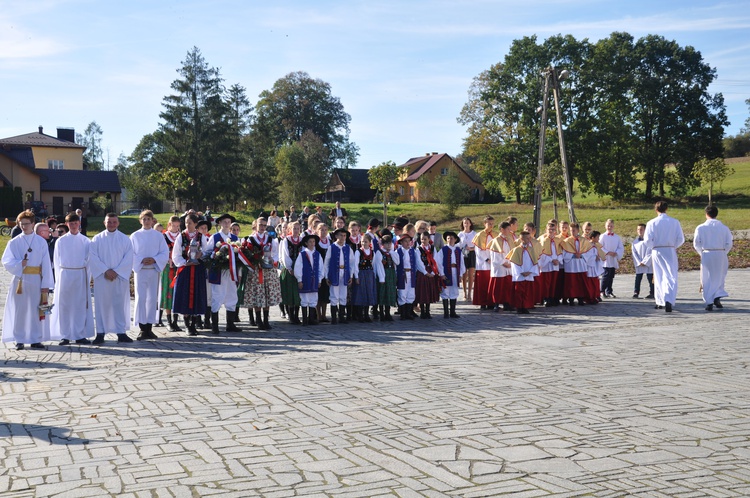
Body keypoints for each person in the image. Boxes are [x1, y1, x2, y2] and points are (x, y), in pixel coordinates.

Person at [2, 210, 54, 350]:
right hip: (21, 280)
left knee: (35, 310)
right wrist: (19, 264)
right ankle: (19, 338)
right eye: (21, 224)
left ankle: (35, 338)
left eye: (26, 223)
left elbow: (46, 264)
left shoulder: (41, 242)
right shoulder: (14, 242)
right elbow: (6, 261)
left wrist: (46, 284)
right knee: (20, 310)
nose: (24, 226)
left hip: (36, 279)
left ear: (32, 224)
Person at [50, 212, 95, 345]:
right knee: (65, 305)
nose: (74, 226)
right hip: (65, 274)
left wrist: (86, 278)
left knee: (80, 305)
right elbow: (56, 260)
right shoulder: (61, 241)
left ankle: (79, 334)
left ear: (79, 224)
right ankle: (65, 334)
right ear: (67, 224)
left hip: (80, 274)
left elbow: (89, 261)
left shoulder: (86, 241)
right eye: (71, 223)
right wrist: (59, 279)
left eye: (76, 223)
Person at [89, 213, 134, 344]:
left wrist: (117, 272)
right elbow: (93, 257)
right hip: (103, 277)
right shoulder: (97, 239)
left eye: (114, 222)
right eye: (109, 222)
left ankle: (121, 332)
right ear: (104, 223)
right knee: (101, 305)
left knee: (119, 305)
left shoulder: (125, 239)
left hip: (119, 278)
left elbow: (128, 257)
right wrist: (106, 270)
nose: (112, 224)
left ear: (118, 223)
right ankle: (100, 333)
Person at [130, 210, 170, 340]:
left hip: (153, 269)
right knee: (141, 298)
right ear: (140, 220)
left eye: (149, 219)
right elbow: (131, 253)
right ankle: (142, 328)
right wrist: (141, 259)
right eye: (144, 219)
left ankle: (149, 327)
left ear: (153, 220)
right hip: (141, 270)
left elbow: (164, 252)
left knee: (152, 299)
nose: (146, 221)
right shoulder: (135, 236)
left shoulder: (158, 236)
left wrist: (154, 259)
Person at [172, 214, 210, 336]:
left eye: (190, 223)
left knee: (196, 296)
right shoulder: (181, 237)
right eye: (186, 222)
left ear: (195, 223)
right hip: (185, 270)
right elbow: (175, 254)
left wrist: (201, 255)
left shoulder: (201, 237)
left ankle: (194, 324)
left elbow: (207, 251)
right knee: (185, 296)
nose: (187, 225)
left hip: (198, 269)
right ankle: (187, 325)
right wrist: (184, 263)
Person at [643, 201, 685, 313]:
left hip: (657, 250)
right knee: (671, 275)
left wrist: (654, 247)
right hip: (669, 249)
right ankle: (669, 300)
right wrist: (672, 246)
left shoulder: (651, 223)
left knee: (659, 275)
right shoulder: (674, 222)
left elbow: (647, 240)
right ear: (666, 209)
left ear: (656, 210)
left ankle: (660, 300)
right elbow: (681, 239)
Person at [243, 217, 282, 330]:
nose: (262, 227)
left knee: (267, 293)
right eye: (260, 225)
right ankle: (258, 319)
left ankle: (266, 319)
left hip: (268, 271)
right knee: (257, 294)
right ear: (256, 225)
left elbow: (275, 254)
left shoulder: (270, 239)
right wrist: (256, 261)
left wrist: (271, 261)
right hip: (256, 270)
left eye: (264, 225)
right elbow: (248, 254)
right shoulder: (251, 239)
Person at [693, 205, 733, 311]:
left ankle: (709, 301)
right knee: (720, 276)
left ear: (706, 214)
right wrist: (724, 252)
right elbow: (729, 243)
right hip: (720, 254)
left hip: (707, 253)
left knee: (706, 277)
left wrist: (702, 253)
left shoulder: (701, 227)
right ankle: (717, 296)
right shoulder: (724, 228)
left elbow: (696, 243)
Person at [207, 214, 241, 333]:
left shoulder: (235, 238)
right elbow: (208, 253)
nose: (227, 224)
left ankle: (230, 324)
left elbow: (240, 256)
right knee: (217, 296)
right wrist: (217, 256)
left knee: (232, 295)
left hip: (231, 272)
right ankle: (215, 325)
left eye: (228, 222)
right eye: (224, 222)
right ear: (220, 223)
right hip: (219, 272)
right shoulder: (215, 237)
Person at [324, 228, 355, 324]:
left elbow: (352, 262)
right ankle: (334, 318)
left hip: (344, 273)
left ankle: (341, 317)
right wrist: (326, 276)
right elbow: (327, 262)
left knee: (343, 295)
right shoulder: (332, 247)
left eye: (344, 235)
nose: (343, 237)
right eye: (341, 235)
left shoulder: (348, 248)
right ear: (336, 236)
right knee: (334, 295)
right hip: (334, 273)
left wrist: (351, 275)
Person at [395, 233, 426, 320]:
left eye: (409, 241)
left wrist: (424, 272)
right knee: (402, 293)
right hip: (402, 275)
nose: (408, 243)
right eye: (405, 241)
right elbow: (395, 265)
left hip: (411, 275)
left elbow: (418, 263)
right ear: (401, 242)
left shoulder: (413, 251)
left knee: (411, 293)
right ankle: (403, 314)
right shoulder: (398, 251)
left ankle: (408, 313)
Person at [507, 231, 539, 314]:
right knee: (519, 291)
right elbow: (514, 263)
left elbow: (535, 262)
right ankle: (519, 307)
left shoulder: (531, 249)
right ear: (521, 239)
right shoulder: (516, 250)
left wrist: (530, 271)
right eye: (527, 238)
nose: (529, 240)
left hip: (528, 274)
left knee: (527, 291)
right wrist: (521, 272)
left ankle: (525, 306)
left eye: (529, 238)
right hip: (520, 275)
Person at [160, 216, 182, 332]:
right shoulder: (164, 237)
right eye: (173, 225)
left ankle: (175, 321)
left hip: (179, 267)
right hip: (167, 268)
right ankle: (168, 321)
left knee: (177, 293)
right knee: (168, 292)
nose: (176, 228)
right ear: (169, 225)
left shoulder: (182, 236)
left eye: (178, 226)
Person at [561, 223, 591, 306]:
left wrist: (581, 255)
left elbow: (588, 252)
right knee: (571, 282)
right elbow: (564, 253)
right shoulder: (566, 241)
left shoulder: (584, 240)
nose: (572, 232)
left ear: (578, 230)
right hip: (571, 264)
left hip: (581, 263)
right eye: (570, 230)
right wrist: (573, 255)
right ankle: (571, 298)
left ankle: (581, 298)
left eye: (574, 230)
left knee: (580, 281)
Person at [435, 231, 464, 318]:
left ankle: (452, 312)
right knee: (446, 291)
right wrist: (442, 273)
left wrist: (461, 274)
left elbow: (462, 263)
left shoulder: (458, 251)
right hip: (446, 271)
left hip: (455, 271)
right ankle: (446, 312)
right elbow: (438, 262)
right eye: (448, 238)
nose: (449, 240)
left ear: (455, 240)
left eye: (451, 238)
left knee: (454, 291)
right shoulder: (443, 250)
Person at [279, 221, 303, 324]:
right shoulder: (286, 241)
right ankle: (290, 315)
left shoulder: (302, 240)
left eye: (298, 228)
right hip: (289, 269)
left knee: (297, 292)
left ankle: (297, 315)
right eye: (294, 228)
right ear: (289, 230)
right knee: (289, 292)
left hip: (299, 267)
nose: (296, 231)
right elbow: (284, 255)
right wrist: (290, 268)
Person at [352, 233, 379, 322]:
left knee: (368, 293)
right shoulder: (358, 252)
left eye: (366, 242)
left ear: (370, 242)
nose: (364, 243)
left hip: (369, 274)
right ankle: (360, 315)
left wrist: (374, 275)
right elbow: (355, 265)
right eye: (362, 241)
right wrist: (356, 276)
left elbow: (374, 265)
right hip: (361, 274)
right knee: (361, 293)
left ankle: (366, 314)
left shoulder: (372, 252)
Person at [414, 232, 441, 319]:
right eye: (422, 239)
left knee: (429, 291)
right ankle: (422, 311)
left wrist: (433, 272)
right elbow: (418, 262)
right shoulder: (418, 249)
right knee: (422, 292)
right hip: (423, 272)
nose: (423, 241)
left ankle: (428, 311)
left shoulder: (432, 248)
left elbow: (436, 259)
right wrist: (425, 272)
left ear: (429, 239)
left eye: (425, 239)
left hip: (431, 270)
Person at [489, 221, 514, 311]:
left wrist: (510, 262)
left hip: (508, 266)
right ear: (502, 230)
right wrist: (503, 262)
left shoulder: (509, 239)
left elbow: (511, 252)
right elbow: (495, 255)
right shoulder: (496, 240)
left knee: (507, 286)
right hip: (500, 267)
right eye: (508, 229)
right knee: (498, 286)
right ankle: (496, 303)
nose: (509, 231)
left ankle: (507, 303)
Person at [471, 215, 495, 309]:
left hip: (493, 262)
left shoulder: (495, 234)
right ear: (484, 224)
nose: (491, 225)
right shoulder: (479, 235)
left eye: (492, 224)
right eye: (489, 224)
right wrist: (486, 259)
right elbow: (478, 251)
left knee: (490, 283)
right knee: (483, 284)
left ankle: (491, 302)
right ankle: (482, 302)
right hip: (483, 264)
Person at [374, 233, 399, 321]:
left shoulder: (392, 253)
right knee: (382, 294)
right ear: (382, 244)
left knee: (389, 293)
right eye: (386, 243)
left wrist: (391, 252)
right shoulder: (379, 252)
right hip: (383, 274)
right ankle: (381, 313)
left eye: (390, 243)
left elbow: (397, 261)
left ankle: (388, 312)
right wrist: (381, 278)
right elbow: (379, 265)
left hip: (391, 274)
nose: (388, 245)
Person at [537, 222, 563, 307]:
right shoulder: (543, 240)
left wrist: (558, 260)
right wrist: (551, 259)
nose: (551, 231)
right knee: (546, 283)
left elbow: (560, 251)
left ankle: (552, 297)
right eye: (549, 230)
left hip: (555, 264)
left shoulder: (558, 240)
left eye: (553, 230)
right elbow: (541, 253)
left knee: (553, 282)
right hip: (546, 264)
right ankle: (546, 298)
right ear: (546, 230)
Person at [599, 219, 624, 298]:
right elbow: (600, 246)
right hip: (606, 258)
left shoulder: (617, 237)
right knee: (605, 275)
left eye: (611, 226)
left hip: (613, 258)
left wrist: (616, 252)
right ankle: (602, 291)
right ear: (605, 226)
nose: (609, 227)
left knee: (611, 276)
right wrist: (607, 252)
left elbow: (620, 247)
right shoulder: (603, 236)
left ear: (613, 226)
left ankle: (609, 291)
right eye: (608, 226)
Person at [631, 223, 654, 299]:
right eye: (638, 229)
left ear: (645, 230)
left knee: (650, 278)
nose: (639, 231)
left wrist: (645, 261)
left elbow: (651, 251)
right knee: (638, 278)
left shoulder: (649, 240)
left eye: (641, 229)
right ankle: (636, 292)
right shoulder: (635, 242)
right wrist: (638, 262)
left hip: (648, 263)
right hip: (639, 262)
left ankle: (652, 292)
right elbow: (634, 253)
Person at [316, 223, 332, 323]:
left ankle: (324, 314)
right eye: (321, 230)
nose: (323, 232)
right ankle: (318, 314)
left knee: (325, 293)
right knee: (318, 293)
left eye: (325, 230)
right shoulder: (316, 242)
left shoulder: (330, 242)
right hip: (318, 270)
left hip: (328, 270)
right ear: (317, 231)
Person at [458, 217, 476, 301]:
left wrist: (471, 249)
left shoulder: (474, 233)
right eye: (464, 223)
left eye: (467, 222)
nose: (466, 224)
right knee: (464, 275)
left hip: (472, 254)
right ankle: (464, 293)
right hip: (463, 254)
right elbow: (458, 245)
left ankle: (470, 294)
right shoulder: (460, 234)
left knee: (471, 274)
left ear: (470, 224)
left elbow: (477, 246)